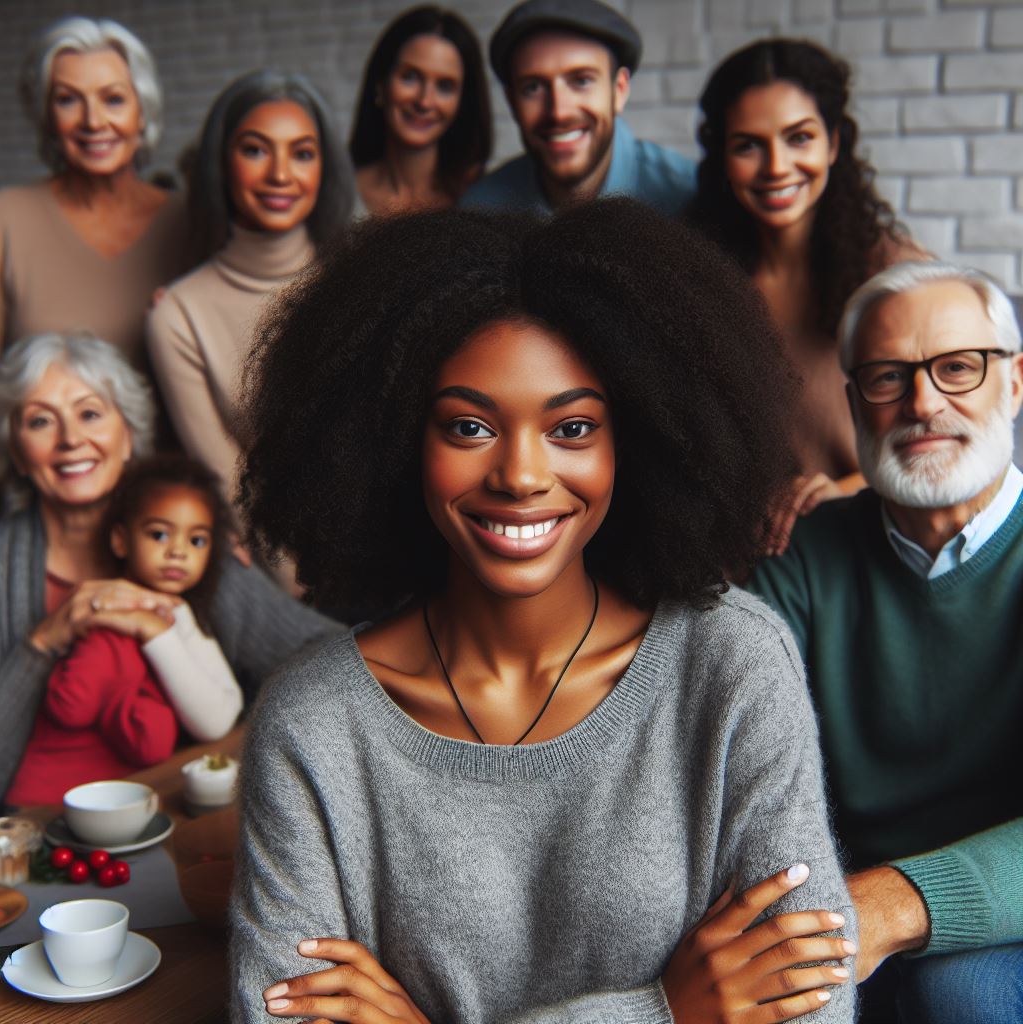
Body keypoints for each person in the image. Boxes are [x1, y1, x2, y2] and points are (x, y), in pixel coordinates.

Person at [230, 201, 856, 1023]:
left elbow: (810, 1010)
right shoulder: (314, 726)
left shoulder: (731, 665)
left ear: (636, 441)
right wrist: (663, 1014)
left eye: (571, 427)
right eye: (468, 426)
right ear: (390, 441)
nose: (521, 474)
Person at [747, 261, 1023, 1024]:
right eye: (886, 377)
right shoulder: (801, 554)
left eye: (958, 368)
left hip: (998, 906)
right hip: (836, 900)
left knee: (959, 994)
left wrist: (893, 904)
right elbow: (729, 738)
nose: (923, 403)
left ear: (1016, 383)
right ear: (853, 403)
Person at [0, 332, 341, 808]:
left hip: (174, 814)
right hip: (31, 833)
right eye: (40, 421)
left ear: (128, 436)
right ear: (15, 449)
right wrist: (45, 640)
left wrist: (247, 749)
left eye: (90, 413)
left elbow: (326, 658)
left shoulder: (187, 550)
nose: (71, 439)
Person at [688, 39, 924, 551]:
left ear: (834, 144)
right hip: (743, 557)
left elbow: (942, 429)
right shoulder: (698, 278)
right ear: (723, 156)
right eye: (748, 144)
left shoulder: (898, 276)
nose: (776, 166)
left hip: (870, 538)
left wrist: (840, 490)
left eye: (799, 138)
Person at [146, 70, 354, 510]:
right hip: (280, 565)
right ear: (221, 164)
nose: (280, 174)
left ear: (325, 167)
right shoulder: (178, 315)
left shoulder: (361, 279)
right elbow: (234, 491)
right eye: (255, 150)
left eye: (302, 153)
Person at [5, 455, 243, 806]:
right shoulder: (108, 616)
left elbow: (225, 708)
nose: (178, 551)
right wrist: (130, 696)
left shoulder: (175, 614)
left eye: (197, 541)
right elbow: (69, 705)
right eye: (159, 534)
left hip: (113, 802)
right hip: (46, 806)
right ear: (120, 540)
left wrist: (155, 630)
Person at [0, 17, 189, 367]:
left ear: (142, 112)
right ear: (47, 116)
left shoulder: (191, 220)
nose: (93, 121)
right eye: (68, 100)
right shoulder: (7, 219)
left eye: (113, 99)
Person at [460, 0, 695, 216]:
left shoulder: (690, 198)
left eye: (581, 81)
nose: (559, 112)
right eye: (532, 88)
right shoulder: (481, 210)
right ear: (511, 101)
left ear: (619, 90)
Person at [350, 6, 492, 215]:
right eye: (410, 77)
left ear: (462, 101)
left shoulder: (488, 197)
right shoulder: (339, 195)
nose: (424, 102)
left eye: (445, 86)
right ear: (381, 83)